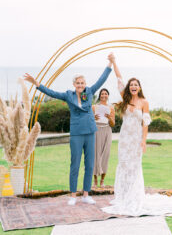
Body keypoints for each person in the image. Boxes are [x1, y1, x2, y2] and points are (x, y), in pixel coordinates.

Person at [102, 54, 172, 216]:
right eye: (131, 84)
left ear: (139, 88)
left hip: (136, 140)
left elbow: (145, 123)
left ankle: (134, 196)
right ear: (129, 88)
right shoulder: (125, 100)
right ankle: (124, 195)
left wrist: (143, 141)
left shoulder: (144, 102)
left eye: (136, 85)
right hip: (124, 139)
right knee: (124, 165)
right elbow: (119, 78)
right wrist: (114, 62)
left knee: (134, 167)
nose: (133, 86)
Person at [24, 53, 114, 206]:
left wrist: (110, 64)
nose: (80, 85)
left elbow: (101, 79)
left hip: (91, 132)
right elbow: (51, 93)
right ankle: (73, 195)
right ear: (74, 84)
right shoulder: (68, 95)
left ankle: (86, 194)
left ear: (85, 83)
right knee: (75, 164)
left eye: (82, 82)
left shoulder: (89, 92)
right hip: (77, 134)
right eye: (78, 83)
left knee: (90, 164)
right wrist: (36, 84)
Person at [92, 88, 115, 188]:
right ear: (99, 95)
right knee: (95, 155)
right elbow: (88, 121)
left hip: (107, 130)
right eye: (102, 94)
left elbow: (113, 124)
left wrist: (109, 118)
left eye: (106, 94)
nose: (104, 95)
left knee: (105, 155)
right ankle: (95, 180)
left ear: (108, 96)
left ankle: (102, 180)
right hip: (96, 130)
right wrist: (93, 118)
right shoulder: (94, 107)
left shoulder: (111, 108)